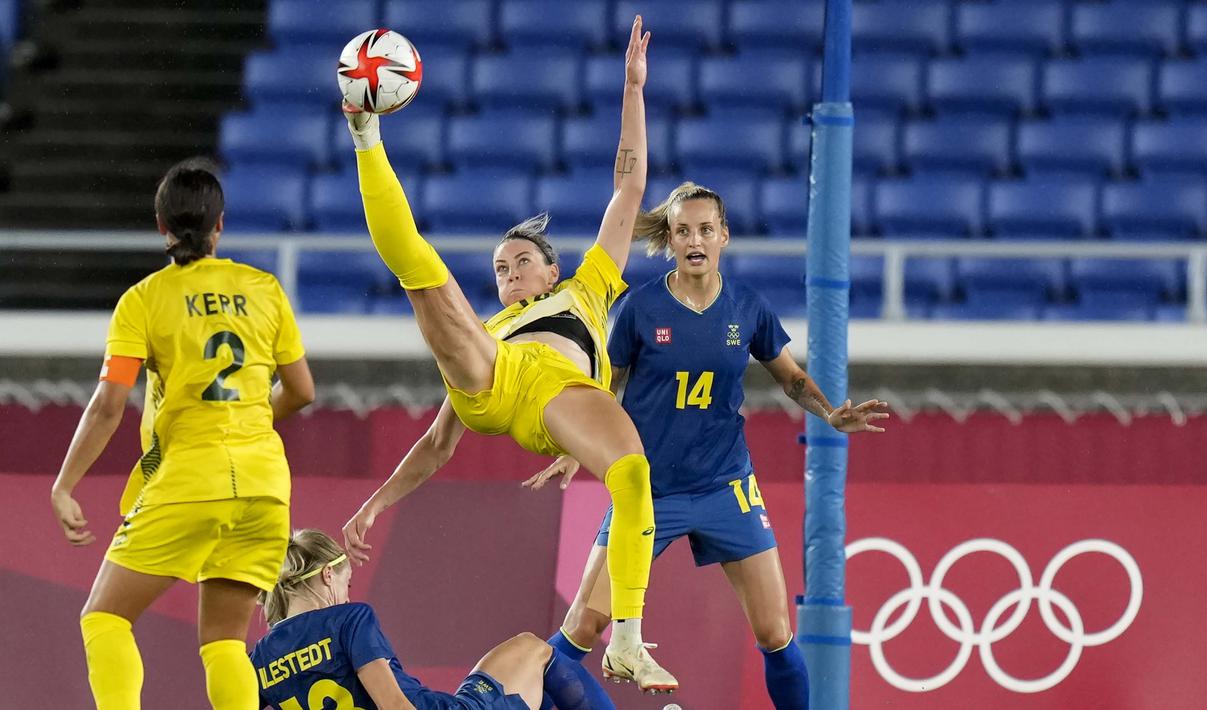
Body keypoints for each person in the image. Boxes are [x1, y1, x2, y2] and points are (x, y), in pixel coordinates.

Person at [338, 16, 675, 693]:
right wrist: (374, 504)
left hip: (560, 399)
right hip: (494, 385)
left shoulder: (587, 288)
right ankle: (364, 132)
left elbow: (629, 189)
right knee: (425, 277)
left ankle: (629, 641)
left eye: (521, 261)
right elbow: (437, 444)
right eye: (498, 266)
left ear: (550, 273)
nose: (509, 271)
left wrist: (633, 90)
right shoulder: (491, 328)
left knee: (635, 476)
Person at [522, 182, 890, 709]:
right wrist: (575, 445)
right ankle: (517, 699)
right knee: (583, 626)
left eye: (705, 230)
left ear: (724, 236)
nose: (695, 239)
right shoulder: (639, 309)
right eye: (683, 231)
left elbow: (789, 378)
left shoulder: (748, 308)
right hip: (648, 492)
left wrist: (831, 411)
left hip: (727, 486)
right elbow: (601, 388)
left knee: (775, 632)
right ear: (670, 240)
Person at [49, 158, 316, 710]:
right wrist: (250, 421)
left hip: (190, 479)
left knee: (104, 616)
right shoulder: (263, 289)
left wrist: (65, 484)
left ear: (161, 226)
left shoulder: (144, 301)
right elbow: (303, 390)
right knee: (224, 642)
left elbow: (108, 405)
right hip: (267, 488)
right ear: (220, 226)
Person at [251, 529, 615, 710]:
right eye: (346, 581)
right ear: (328, 576)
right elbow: (393, 704)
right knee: (533, 650)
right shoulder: (347, 619)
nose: (346, 594)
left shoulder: (257, 661)